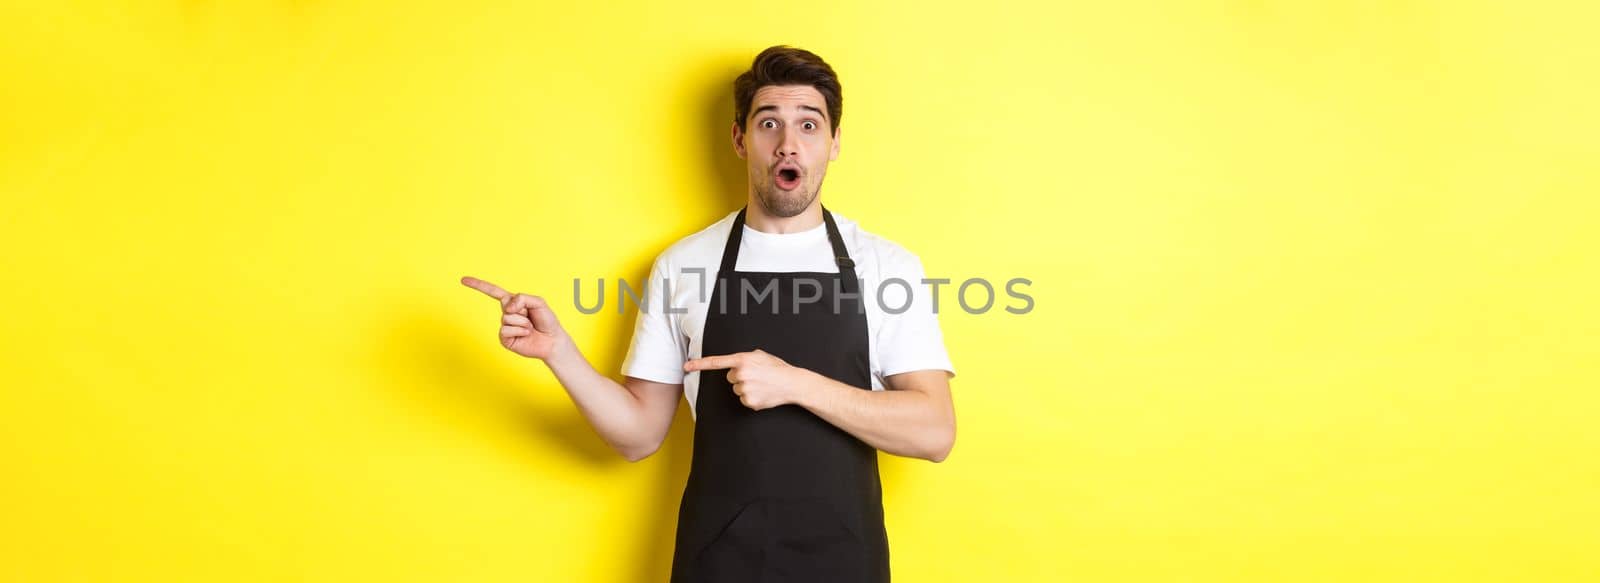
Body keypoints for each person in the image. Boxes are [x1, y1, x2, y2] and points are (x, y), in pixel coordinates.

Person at [461, 45, 955, 583]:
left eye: (809, 125)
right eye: (769, 123)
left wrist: (794, 384)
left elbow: (934, 432)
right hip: (718, 560)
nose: (788, 144)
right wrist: (560, 353)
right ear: (741, 139)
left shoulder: (885, 265)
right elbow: (638, 435)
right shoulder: (684, 264)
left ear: (833, 143)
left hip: (845, 559)